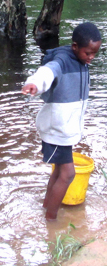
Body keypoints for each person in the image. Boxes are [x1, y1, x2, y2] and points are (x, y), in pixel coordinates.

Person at [22, 22, 102, 221]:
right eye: (88, 53)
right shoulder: (62, 61)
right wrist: (34, 83)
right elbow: (47, 72)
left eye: (94, 53)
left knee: (59, 172)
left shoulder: (81, 62)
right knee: (68, 174)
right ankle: (51, 220)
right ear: (75, 46)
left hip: (63, 129)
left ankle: (46, 208)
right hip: (56, 129)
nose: (91, 58)